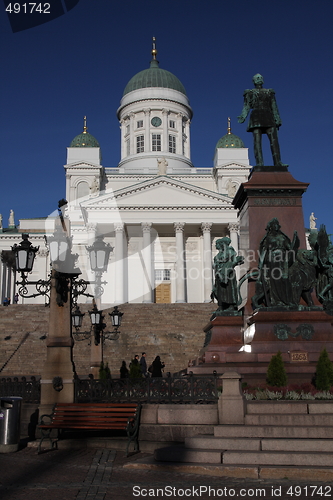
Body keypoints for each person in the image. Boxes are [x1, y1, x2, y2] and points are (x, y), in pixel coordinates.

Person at [238, 73, 286, 168]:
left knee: (274, 141)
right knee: (257, 142)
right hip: (256, 117)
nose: (259, 79)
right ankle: (259, 163)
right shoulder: (250, 93)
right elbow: (247, 106)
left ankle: (278, 162)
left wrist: (277, 118)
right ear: (254, 81)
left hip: (268, 116)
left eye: (260, 78)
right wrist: (243, 116)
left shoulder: (269, 92)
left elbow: (274, 106)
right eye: (257, 78)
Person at [211, 237, 244, 311]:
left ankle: (231, 306)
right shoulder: (219, 254)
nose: (216, 246)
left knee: (228, 290)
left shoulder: (230, 251)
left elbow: (234, 261)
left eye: (217, 244)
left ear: (222, 244)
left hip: (228, 274)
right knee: (220, 290)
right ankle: (223, 306)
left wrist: (228, 266)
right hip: (219, 274)